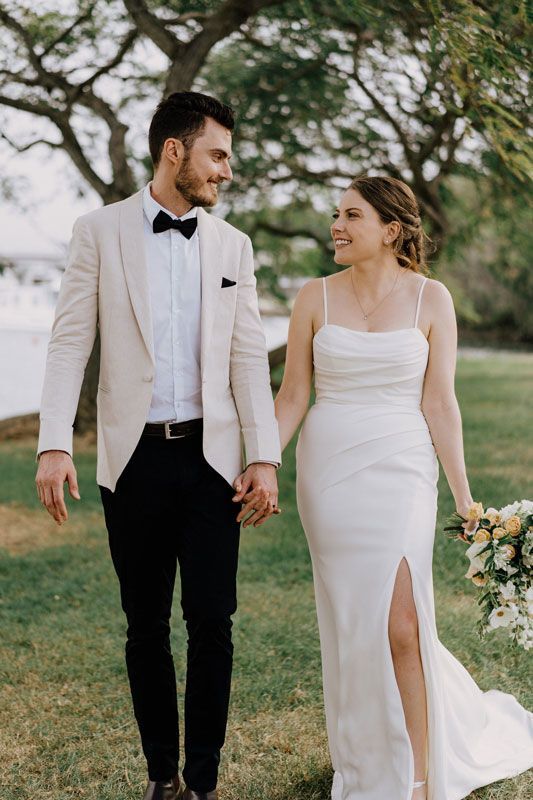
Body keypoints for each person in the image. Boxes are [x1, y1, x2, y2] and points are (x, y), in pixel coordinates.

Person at [35, 91, 281, 800]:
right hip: (133, 462)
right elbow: (69, 340)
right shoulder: (98, 231)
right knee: (144, 627)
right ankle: (159, 777)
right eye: (217, 154)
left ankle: (201, 782)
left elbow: (245, 359)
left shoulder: (233, 245)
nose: (226, 171)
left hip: (212, 463)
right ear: (175, 151)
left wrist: (260, 456)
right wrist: (56, 443)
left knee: (213, 621)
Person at [272, 175, 533, 799]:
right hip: (329, 475)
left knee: (401, 623)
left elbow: (441, 404)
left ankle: (418, 775)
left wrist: (465, 497)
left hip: (403, 469)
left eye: (351, 215)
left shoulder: (430, 299)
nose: (336, 225)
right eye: (335, 215)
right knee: (351, 619)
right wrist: (261, 464)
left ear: (391, 229)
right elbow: (293, 395)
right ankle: (363, 753)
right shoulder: (315, 297)